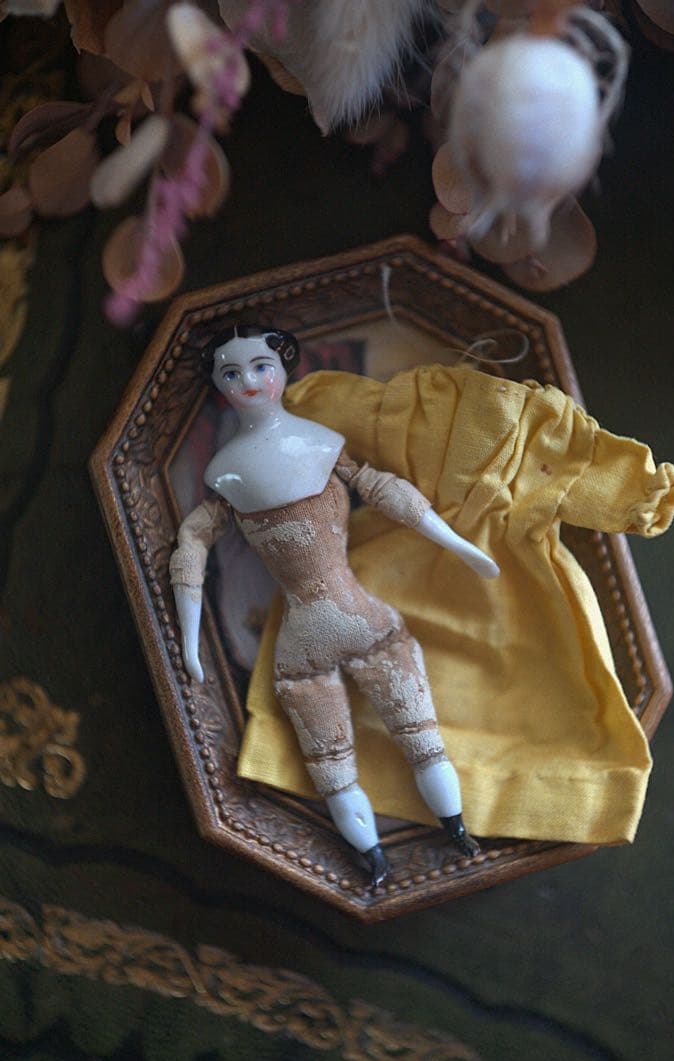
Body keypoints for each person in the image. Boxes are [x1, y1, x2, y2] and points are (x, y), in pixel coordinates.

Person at [170, 326, 500, 886]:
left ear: (284, 367)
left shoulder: (318, 446)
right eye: (230, 372)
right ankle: (382, 856)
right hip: (340, 633)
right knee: (338, 768)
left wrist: (461, 546)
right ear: (218, 386)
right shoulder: (228, 474)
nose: (248, 381)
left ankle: (453, 827)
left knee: (418, 739)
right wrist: (189, 641)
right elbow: (191, 546)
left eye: (260, 366)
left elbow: (387, 492)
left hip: (344, 629)